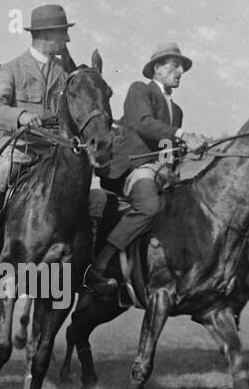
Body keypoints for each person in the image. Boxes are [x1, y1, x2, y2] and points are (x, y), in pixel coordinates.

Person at [85, 41, 210, 299]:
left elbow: (166, 147)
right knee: (149, 206)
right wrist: (183, 134)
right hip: (131, 169)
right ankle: (100, 263)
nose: (180, 72)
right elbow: (143, 124)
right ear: (157, 68)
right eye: (174, 65)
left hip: (157, 171)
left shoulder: (177, 111)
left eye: (182, 67)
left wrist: (178, 155)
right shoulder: (140, 90)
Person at [0, 3, 75, 265]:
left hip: (54, 151)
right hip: (21, 147)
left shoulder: (65, 73)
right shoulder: (13, 69)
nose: (67, 39)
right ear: (47, 35)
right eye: (63, 34)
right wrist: (20, 116)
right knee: (2, 173)